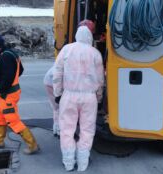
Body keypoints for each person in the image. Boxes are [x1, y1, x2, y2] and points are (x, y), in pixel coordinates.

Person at [53, 23, 104, 172]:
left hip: (69, 95)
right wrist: (99, 98)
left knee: (67, 129)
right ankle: (82, 164)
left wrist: (58, 94)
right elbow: (100, 80)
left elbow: (57, 73)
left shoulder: (66, 50)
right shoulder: (95, 53)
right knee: (87, 130)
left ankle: (68, 163)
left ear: (76, 36)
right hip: (89, 98)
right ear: (89, 37)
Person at [0, 33, 39, 155]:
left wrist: (2, 89)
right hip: (7, 93)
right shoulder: (9, 53)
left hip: (7, 94)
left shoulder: (6, 57)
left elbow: (8, 76)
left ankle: (32, 145)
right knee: (0, 115)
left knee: (13, 120)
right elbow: (21, 70)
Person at [43, 65, 60, 136]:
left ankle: (56, 129)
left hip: (49, 83)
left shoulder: (60, 63)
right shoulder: (60, 69)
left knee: (56, 108)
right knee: (58, 108)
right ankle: (59, 130)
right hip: (51, 85)